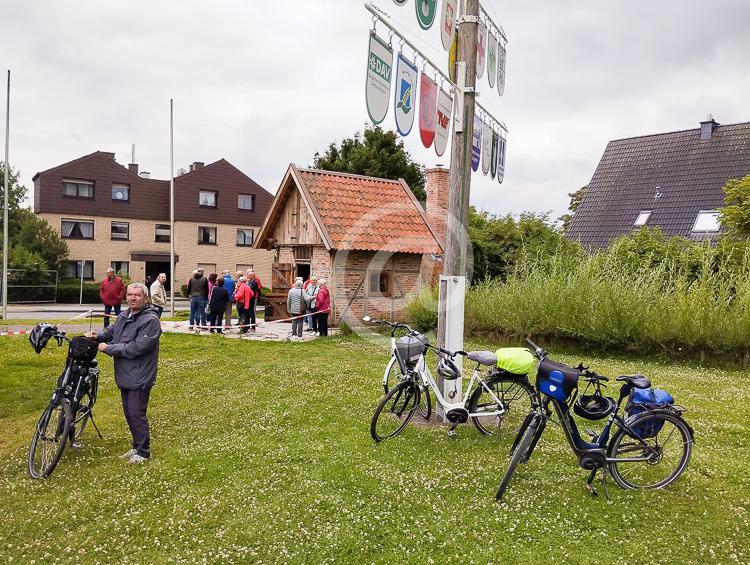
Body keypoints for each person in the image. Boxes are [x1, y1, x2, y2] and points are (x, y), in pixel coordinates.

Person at [85, 283, 161, 464]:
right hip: (125, 373)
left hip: (140, 374)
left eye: (137, 295)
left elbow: (138, 347)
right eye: (129, 295)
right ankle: (136, 446)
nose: (132, 298)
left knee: (136, 413)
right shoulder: (124, 315)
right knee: (129, 412)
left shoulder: (150, 320)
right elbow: (111, 332)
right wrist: (98, 336)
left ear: (145, 298)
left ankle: (143, 452)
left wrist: (109, 348)